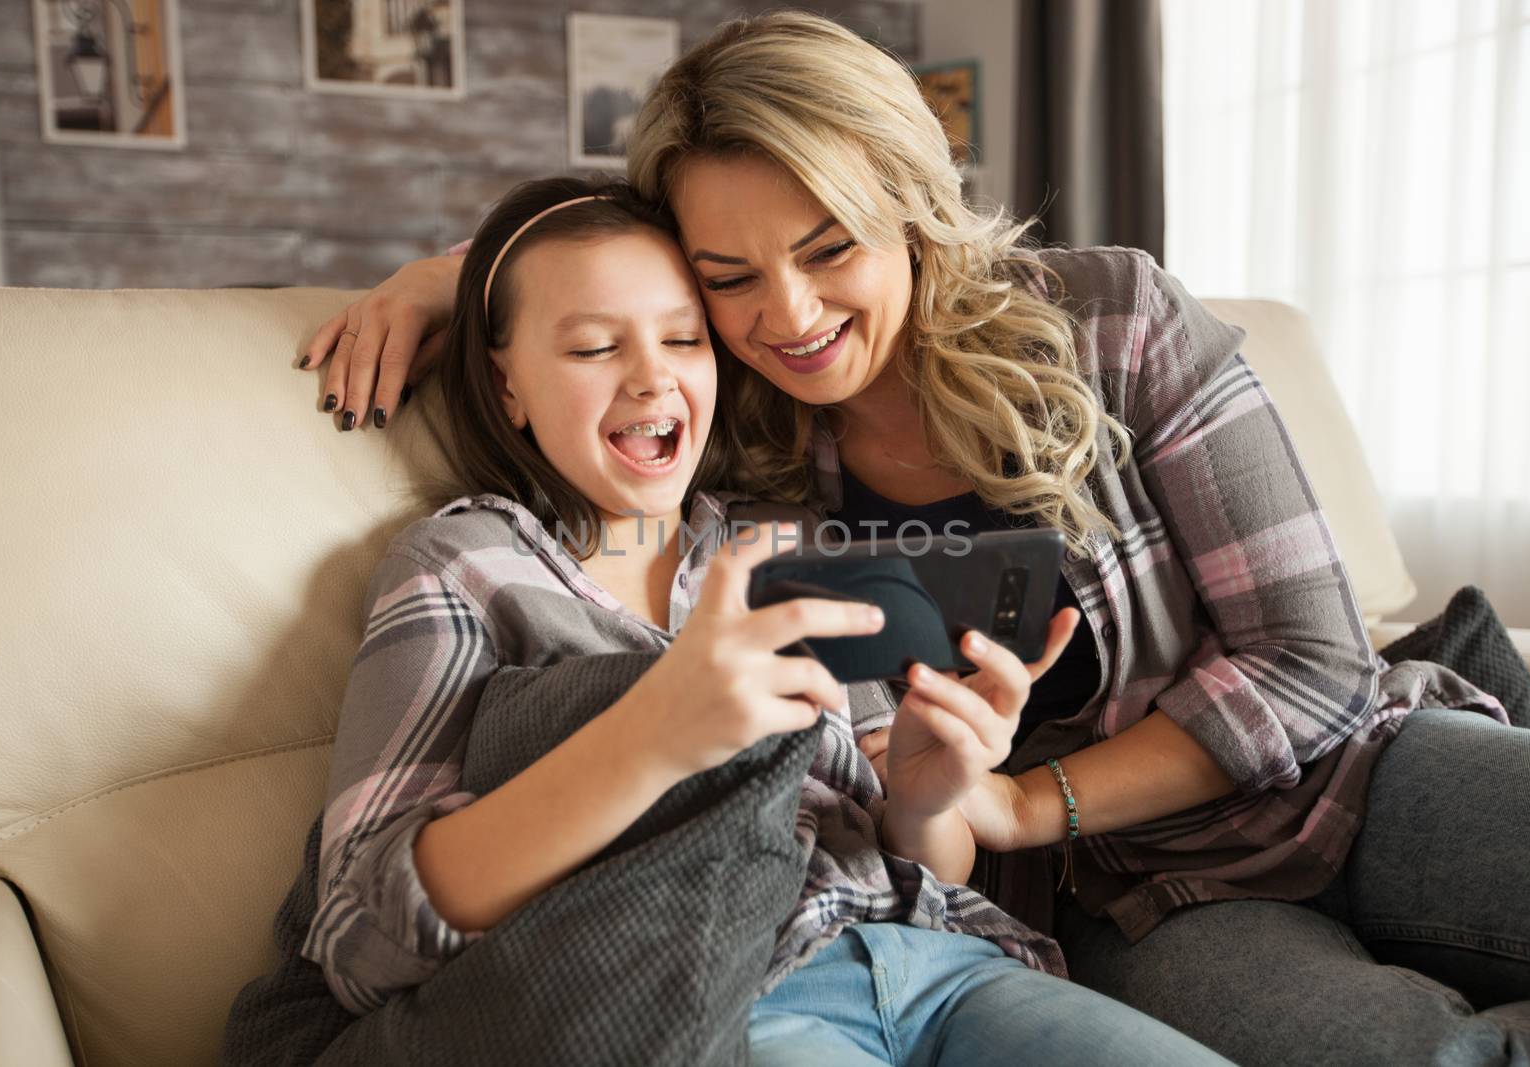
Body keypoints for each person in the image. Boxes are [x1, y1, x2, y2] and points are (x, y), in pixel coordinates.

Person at [299, 14, 1530, 1065]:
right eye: (729, 279)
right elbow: (607, 305)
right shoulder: (742, 456)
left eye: (830, 248)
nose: (785, 315)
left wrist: (1013, 801)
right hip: (1124, 897)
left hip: (1350, 774)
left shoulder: (1114, 323)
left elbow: (1310, 666)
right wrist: (454, 291)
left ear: (911, 206)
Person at [306, 172, 1231, 1065]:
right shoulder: (466, 566)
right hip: (729, 998)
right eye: (593, 348)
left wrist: (924, 793)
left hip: (946, 967)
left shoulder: (786, 539)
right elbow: (360, 940)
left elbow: (938, 874)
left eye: (684, 339)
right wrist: (656, 736)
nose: (650, 379)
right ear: (507, 386)